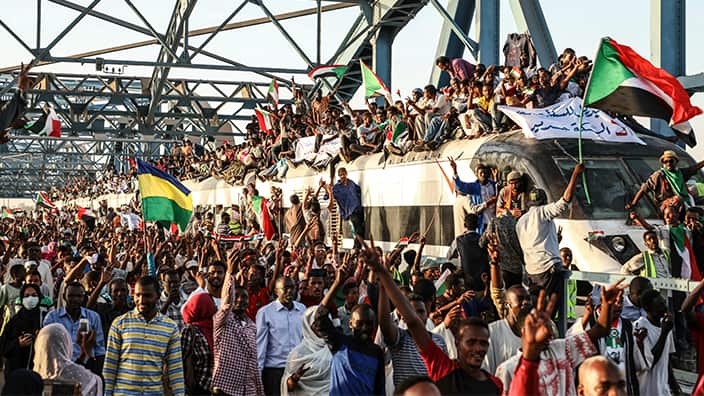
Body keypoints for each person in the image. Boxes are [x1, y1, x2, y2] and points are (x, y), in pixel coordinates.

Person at [365, 238, 501, 395]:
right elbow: (412, 322)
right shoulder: (443, 367)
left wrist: (494, 265)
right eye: (471, 342)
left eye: (483, 343)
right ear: (457, 343)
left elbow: (496, 295)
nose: (478, 348)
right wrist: (382, 275)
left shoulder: (496, 384)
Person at [103, 276, 184, 396]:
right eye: (137, 295)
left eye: (147, 296)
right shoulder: (119, 323)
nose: (141, 300)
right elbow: (110, 365)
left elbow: (175, 369)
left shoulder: (170, 327)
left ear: (157, 296)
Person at [313, 262, 385, 396]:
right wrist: (337, 283)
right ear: (351, 324)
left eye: (369, 324)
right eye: (360, 323)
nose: (364, 328)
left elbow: (379, 389)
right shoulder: (340, 343)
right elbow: (319, 317)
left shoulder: (376, 352)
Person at [515, 163, 584, 302]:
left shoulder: (520, 221)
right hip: (548, 268)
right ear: (544, 201)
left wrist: (554, 241)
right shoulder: (543, 212)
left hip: (532, 270)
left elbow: (533, 242)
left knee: (537, 305)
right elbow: (565, 200)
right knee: (549, 308)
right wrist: (575, 174)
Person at [378, 283, 447, 386]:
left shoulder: (439, 341)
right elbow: (385, 324)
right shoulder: (399, 339)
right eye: (412, 312)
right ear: (404, 316)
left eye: (421, 311)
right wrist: (383, 287)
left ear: (427, 314)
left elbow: (444, 376)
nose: (417, 316)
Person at [212, 261, 263, 396]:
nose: (240, 300)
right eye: (237, 297)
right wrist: (229, 273)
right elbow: (227, 304)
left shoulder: (252, 326)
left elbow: (253, 361)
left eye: (244, 297)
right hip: (225, 388)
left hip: (248, 389)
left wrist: (259, 390)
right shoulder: (222, 321)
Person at [256, 276, 306, 396]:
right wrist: (258, 374)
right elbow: (260, 345)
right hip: (275, 370)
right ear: (276, 291)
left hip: (297, 369)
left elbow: (305, 339)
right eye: (285, 288)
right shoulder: (265, 312)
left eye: (292, 288)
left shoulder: (302, 309)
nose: (290, 291)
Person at [43, 281, 105, 374]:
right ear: (64, 296)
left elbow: (99, 348)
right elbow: (47, 346)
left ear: (84, 298)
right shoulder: (52, 317)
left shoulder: (93, 317)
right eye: (71, 296)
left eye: (79, 296)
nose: (75, 299)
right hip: (59, 368)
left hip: (86, 368)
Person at [33, 324, 103, 396]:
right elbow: (97, 383)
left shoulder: (32, 380)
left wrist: (82, 355)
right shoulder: (84, 378)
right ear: (66, 343)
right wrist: (88, 352)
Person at [627, 149, 704, 210]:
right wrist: (634, 203)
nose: (668, 163)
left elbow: (695, 168)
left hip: (682, 204)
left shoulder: (681, 173)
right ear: (663, 163)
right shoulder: (658, 175)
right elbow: (644, 189)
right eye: (665, 161)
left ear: (676, 162)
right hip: (665, 206)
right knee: (678, 199)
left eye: (671, 161)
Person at [633, 289, 677, 396]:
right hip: (646, 390)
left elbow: (666, 359)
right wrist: (664, 333)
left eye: (664, 303)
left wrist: (673, 384)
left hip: (663, 389)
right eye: (660, 305)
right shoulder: (640, 327)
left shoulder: (666, 325)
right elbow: (649, 362)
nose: (665, 307)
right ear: (648, 308)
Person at [281, 306, 332, 396]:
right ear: (308, 326)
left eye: (322, 323)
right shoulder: (298, 354)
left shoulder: (334, 348)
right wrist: (295, 377)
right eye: (315, 324)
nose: (319, 327)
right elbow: (288, 387)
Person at [1, 284, 45, 379]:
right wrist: (18, 343)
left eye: (34, 295)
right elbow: (3, 346)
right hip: (15, 373)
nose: (30, 298)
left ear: (39, 297)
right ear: (21, 299)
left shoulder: (44, 318)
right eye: (26, 296)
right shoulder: (14, 321)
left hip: (39, 373)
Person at [449, 159, 497, 235]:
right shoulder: (474, 187)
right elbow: (460, 187)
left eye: (484, 172)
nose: (483, 175)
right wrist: (454, 170)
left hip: (494, 222)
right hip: (482, 224)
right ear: (477, 175)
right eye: (481, 173)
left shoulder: (494, 185)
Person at [181, 292, 215, 395]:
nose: (215, 306)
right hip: (198, 388)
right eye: (211, 304)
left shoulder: (215, 328)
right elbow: (181, 360)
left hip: (216, 389)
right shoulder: (190, 331)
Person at [447, 213, 489, 290]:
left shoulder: (459, 240)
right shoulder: (482, 239)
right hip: (483, 278)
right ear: (477, 225)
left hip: (466, 278)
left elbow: (448, 256)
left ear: (464, 225)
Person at [332, 168, 365, 245]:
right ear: (339, 176)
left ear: (346, 173)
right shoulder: (337, 187)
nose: (342, 176)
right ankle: (357, 246)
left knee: (360, 229)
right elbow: (327, 196)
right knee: (357, 230)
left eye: (343, 174)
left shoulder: (351, 183)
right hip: (350, 212)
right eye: (340, 175)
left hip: (358, 210)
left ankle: (358, 245)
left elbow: (358, 190)